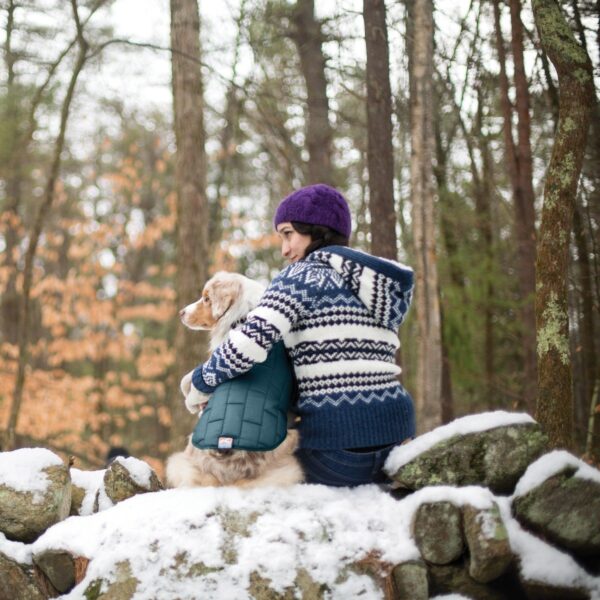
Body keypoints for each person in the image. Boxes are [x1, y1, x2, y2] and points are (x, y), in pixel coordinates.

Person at [189, 183, 415, 487]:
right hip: (397, 444)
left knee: (237, 463)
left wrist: (200, 381)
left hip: (338, 454)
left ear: (316, 230)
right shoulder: (376, 284)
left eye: (288, 234)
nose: (284, 250)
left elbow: (247, 343)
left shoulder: (302, 276)